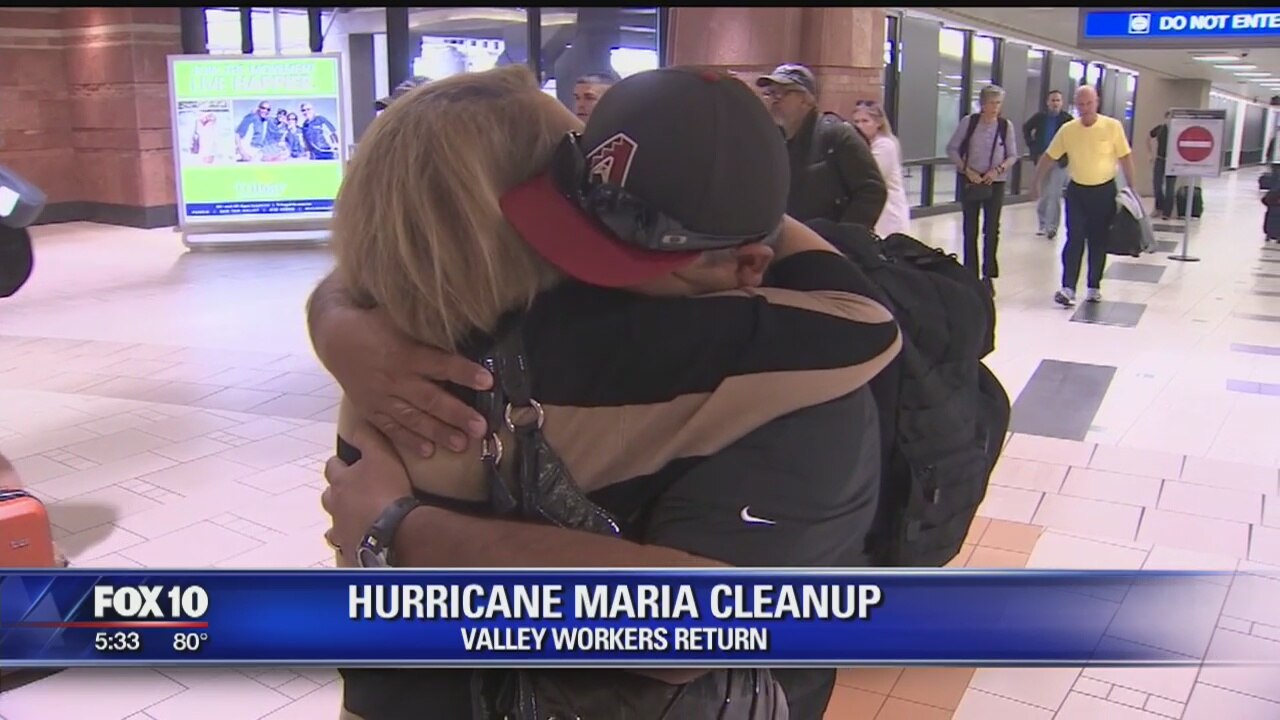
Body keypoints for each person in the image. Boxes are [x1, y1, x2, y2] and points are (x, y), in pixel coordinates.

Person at [314, 65, 901, 720]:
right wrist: (742, 211)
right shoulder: (668, 349)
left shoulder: (378, 353)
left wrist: (331, 314)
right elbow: (862, 323)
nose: (604, 278)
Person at [1031, 85, 1138, 307]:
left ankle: (1093, 286)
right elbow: (1049, 157)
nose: (1085, 108)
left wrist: (1132, 187)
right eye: (1081, 104)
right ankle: (1068, 287)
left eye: (1089, 103)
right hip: (1077, 190)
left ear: (1096, 102)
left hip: (1104, 190)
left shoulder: (1112, 126)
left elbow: (1125, 157)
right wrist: (1036, 182)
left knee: (1098, 239)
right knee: (1075, 237)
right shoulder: (1068, 130)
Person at [755, 64, 888, 227]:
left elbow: (872, 190)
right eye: (770, 93)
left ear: (806, 99)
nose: (774, 99)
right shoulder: (775, 141)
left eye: (782, 93)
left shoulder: (836, 135)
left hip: (827, 238)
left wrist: (842, 234)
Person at [946, 85, 1018, 296]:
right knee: (970, 228)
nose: (995, 108)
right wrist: (966, 170)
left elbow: (1012, 155)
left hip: (995, 182)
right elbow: (952, 148)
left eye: (998, 103)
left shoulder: (1005, 126)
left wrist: (998, 170)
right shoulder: (969, 123)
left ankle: (988, 275)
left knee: (992, 228)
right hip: (971, 179)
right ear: (982, 104)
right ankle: (970, 273)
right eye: (991, 103)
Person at [851, 100, 911, 237]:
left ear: (878, 123)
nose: (860, 126)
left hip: (888, 213)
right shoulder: (863, 144)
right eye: (856, 121)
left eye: (865, 121)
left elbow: (868, 174)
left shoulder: (885, 145)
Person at [1023, 89, 1073, 240]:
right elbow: (1026, 128)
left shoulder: (1067, 119)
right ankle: (1043, 224)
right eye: (1053, 100)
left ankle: (1052, 227)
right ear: (1048, 102)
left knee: (1055, 194)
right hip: (1043, 159)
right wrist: (1032, 145)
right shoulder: (1040, 118)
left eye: (1058, 100)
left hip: (1060, 161)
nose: (1055, 103)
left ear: (1062, 103)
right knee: (1045, 194)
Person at [1147, 111, 1177, 220]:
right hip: (1160, 159)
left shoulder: (1177, 130)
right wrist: (1150, 154)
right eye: (1168, 117)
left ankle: (1167, 212)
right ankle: (1159, 208)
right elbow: (1148, 137)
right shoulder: (1160, 129)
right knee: (1157, 184)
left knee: (1170, 187)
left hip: (1172, 161)